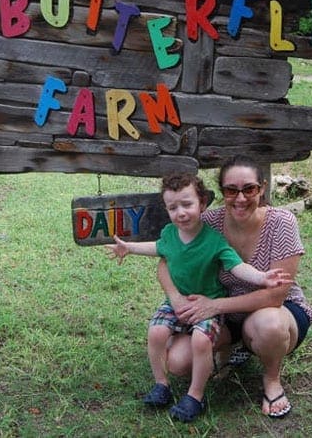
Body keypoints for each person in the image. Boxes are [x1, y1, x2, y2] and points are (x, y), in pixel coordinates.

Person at [106, 172, 291, 422]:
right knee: (156, 331)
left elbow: (237, 267)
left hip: (207, 305)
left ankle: (195, 395)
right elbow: (157, 248)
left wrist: (261, 277)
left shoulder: (214, 241)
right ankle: (161, 385)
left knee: (201, 341)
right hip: (177, 302)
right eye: (173, 207)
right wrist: (129, 248)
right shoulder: (170, 233)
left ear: (202, 203)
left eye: (187, 204)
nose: (180, 213)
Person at [156, 155, 312, 419]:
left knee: (269, 325)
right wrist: (174, 297)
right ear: (222, 192)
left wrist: (215, 305)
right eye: (231, 190)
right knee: (178, 361)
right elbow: (166, 259)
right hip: (224, 315)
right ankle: (231, 349)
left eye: (249, 189)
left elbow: (275, 295)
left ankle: (272, 379)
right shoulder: (208, 221)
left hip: (276, 310)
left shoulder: (282, 222)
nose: (240, 198)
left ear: (262, 188)